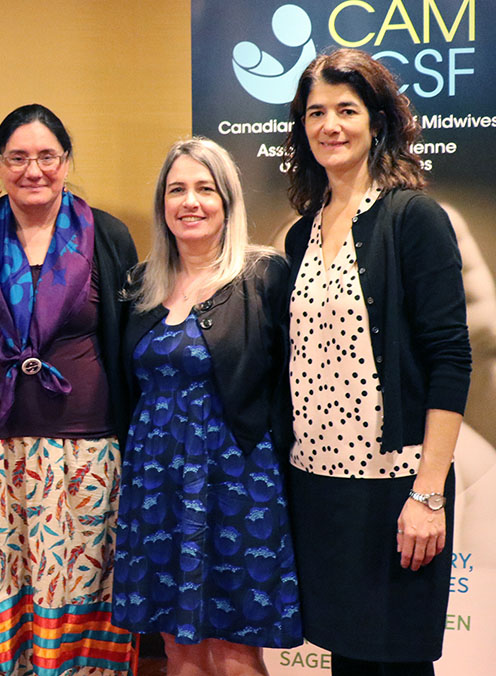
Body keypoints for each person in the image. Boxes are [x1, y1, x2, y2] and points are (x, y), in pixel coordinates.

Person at [283, 48, 471, 675]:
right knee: (347, 662)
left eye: (346, 109)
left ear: (377, 122)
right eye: (315, 112)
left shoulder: (414, 218)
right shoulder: (299, 232)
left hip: (399, 487)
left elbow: (450, 358)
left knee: (398, 662)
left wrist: (429, 496)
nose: (329, 125)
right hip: (319, 487)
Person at [0, 104, 138, 675]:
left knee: (80, 584)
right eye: (19, 158)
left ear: (66, 160)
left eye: (47, 157)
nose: (34, 170)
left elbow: (127, 340)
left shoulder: (106, 233)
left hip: (86, 446)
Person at [111, 137, 301, 675]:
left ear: (228, 201)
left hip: (236, 481)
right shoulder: (140, 284)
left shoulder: (264, 276)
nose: (190, 202)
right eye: (177, 190)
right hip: (157, 485)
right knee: (176, 646)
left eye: (204, 188)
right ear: (162, 205)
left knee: (234, 649)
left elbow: (291, 385)